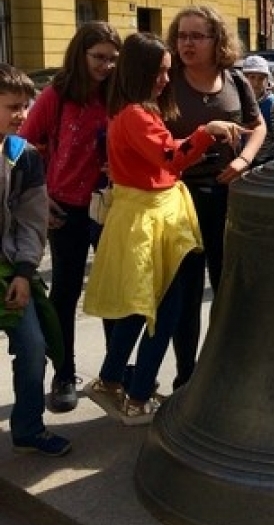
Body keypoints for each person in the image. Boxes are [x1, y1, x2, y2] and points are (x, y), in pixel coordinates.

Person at [83, 33, 242, 424]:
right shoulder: (136, 114)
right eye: (160, 72)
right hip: (152, 219)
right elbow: (171, 157)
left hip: (157, 214)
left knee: (151, 307)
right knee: (163, 310)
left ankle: (114, 380)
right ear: (141, 71)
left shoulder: (134, 110)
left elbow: (163, 153)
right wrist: (209, 131)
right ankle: (133, 394)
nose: (166, 80)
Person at [21, 21, 122, 412]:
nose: (107, 66)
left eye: (114, 59)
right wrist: (39, 198)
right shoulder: (57, 96)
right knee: (65, 292)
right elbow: (21, 146)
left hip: (109, 206)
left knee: (114, 291)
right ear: (80, 55)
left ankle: (114, 372)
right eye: (99, 58)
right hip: (64, 207)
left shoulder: (119, 96)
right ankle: (63, 374)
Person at [165, 6, 265, 389]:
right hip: (181, 196)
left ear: (216, 40)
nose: (187, 43)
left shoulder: (235, 81)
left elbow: (256, 127)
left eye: (197, 36)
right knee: (186, 292)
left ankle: (228, 369)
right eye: (182, 36)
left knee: (228, 287)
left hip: (227, 194)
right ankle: (186, 375)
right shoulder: (167, 81)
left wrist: (243, 159)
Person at [0, 64, 71, 456]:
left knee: (32, 346)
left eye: (25, 106)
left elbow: (31, 219)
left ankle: (28, 427)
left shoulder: (23, 155)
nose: (22, 115)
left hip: (11, 270)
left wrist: (25, 273)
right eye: (13, 106)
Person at [242, 55, 274, 165]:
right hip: (241, 158)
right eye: (252, 77)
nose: (256, 83)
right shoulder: (238, 100)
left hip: (264, 160)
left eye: (261, 78)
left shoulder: (271, 104)